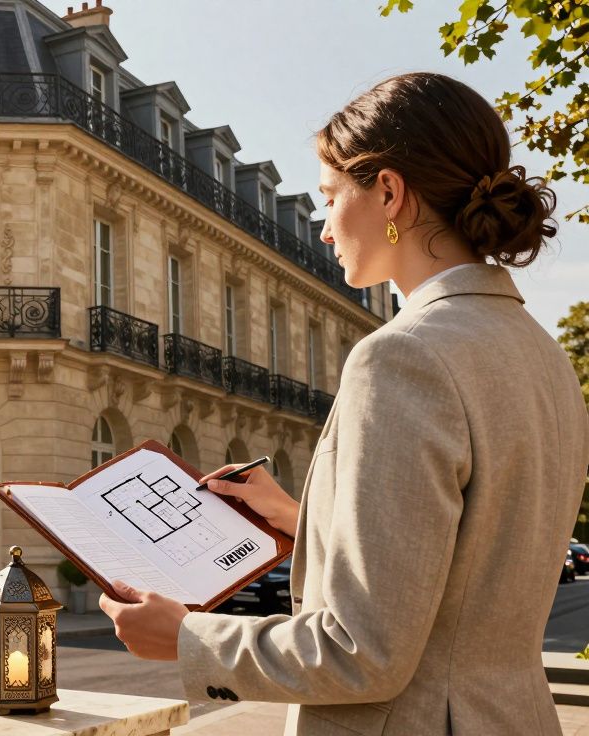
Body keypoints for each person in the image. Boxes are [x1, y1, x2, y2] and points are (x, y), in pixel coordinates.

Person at [98, 71, 589, 735]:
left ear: (388, 192)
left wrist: (187, 637)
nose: (325, 229)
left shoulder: (403, 356)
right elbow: (461, 568)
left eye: (331, 197)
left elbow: (363, 653)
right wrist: (299, 519)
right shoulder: (543, 356)